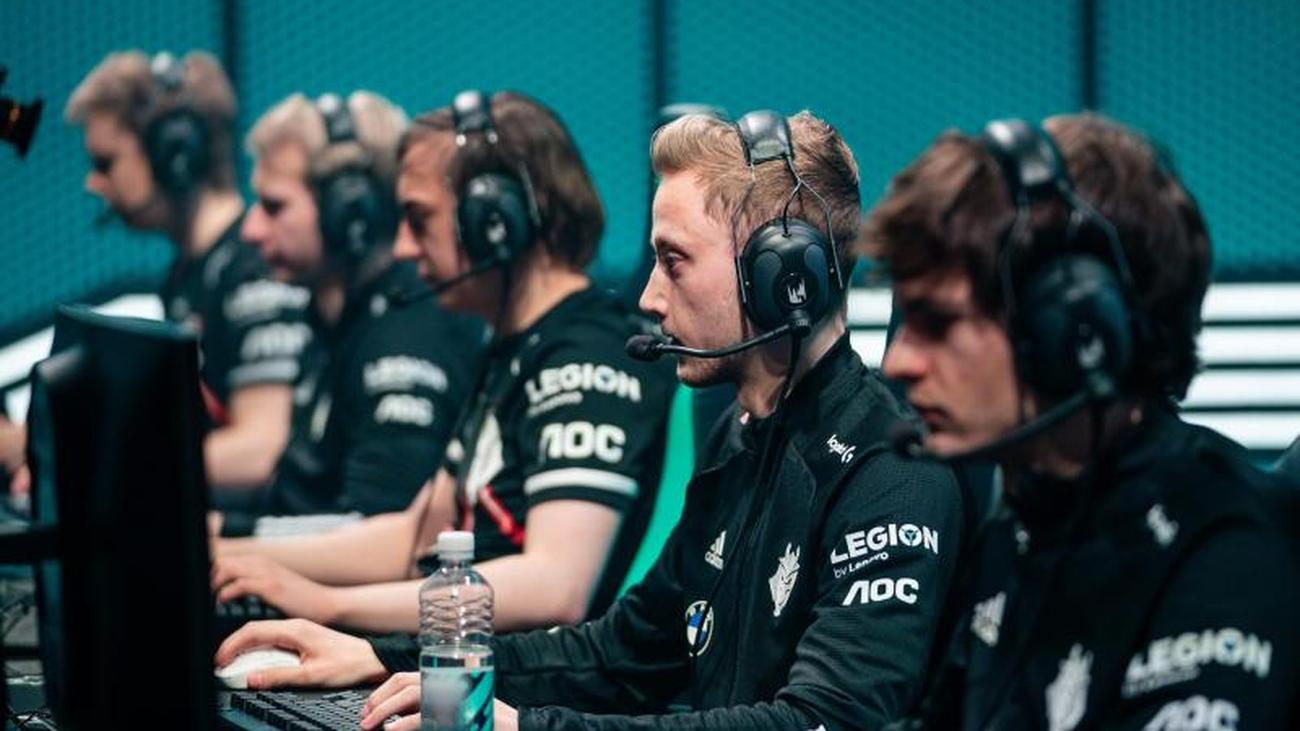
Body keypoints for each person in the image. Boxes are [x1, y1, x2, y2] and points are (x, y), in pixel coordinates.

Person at [360, 108, 965, 731]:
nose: (649, 297)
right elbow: (618, 655)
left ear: (782, 278)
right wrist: (391, 663)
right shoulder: (740, 437)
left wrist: (527, 728)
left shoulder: (889, 478)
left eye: (673, 261)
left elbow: (819, 719)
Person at [211, 91, 676, 672]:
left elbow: (555, 586)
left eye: (419, 220)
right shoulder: (511, 348)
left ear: (495, 225)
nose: (403, 247)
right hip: (468, 665)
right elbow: (414, 534)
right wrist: (234, 552)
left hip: (527, 684)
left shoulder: (585, 360)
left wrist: (331, 606)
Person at [864, 114, 1300, 728]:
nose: (898, 362)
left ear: (1072, 330)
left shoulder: (1225, 553)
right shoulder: (1024, 530)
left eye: (935, 324)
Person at [217, 90, 482, 534]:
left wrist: (228, 537)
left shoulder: (407, 333)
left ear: (348, 212)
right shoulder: (327, 318)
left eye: (274, 206)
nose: (251, 230)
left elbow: (382, 534)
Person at [64, 50, 310, 492]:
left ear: (172, 154)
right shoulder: (185, 277)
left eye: (106, 163)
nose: (93, 183)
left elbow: (262, 449)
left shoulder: (252, 271)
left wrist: (97, 470)